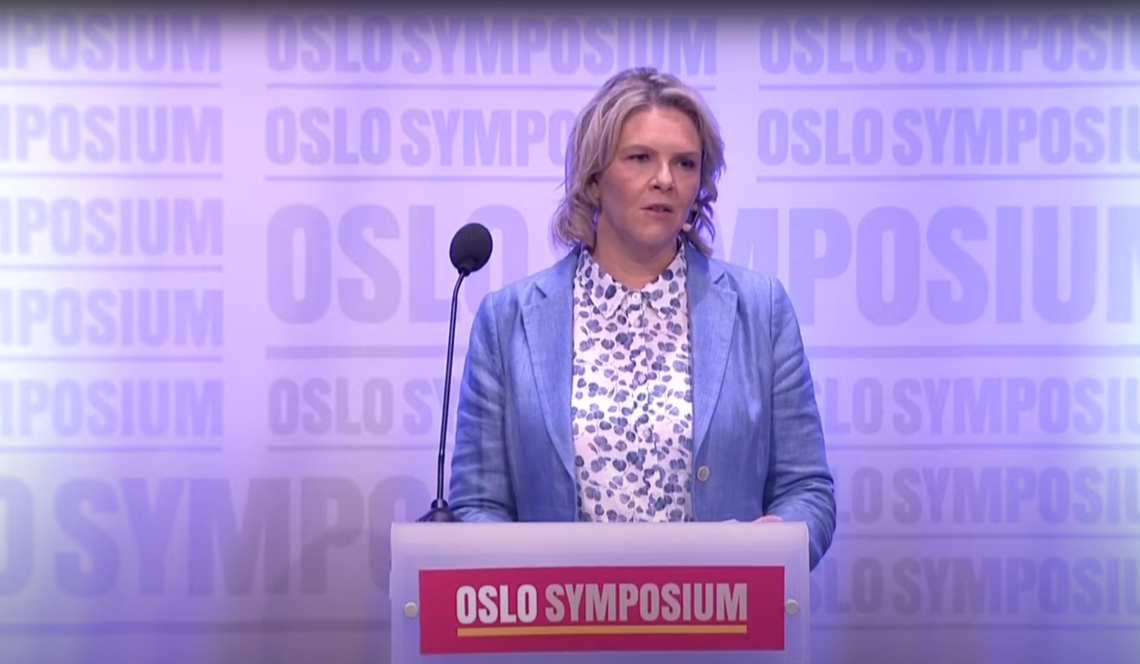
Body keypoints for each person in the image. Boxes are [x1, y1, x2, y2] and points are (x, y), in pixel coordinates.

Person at [446, 67, 836, 570]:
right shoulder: (508, 321)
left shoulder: (761, 309)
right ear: (594, 176)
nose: (666, 180)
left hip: (719, 613)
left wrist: (778, 544)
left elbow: (807, 490)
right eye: (640, 158)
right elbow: (478, 504)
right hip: (561, 615)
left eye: (685, 163)